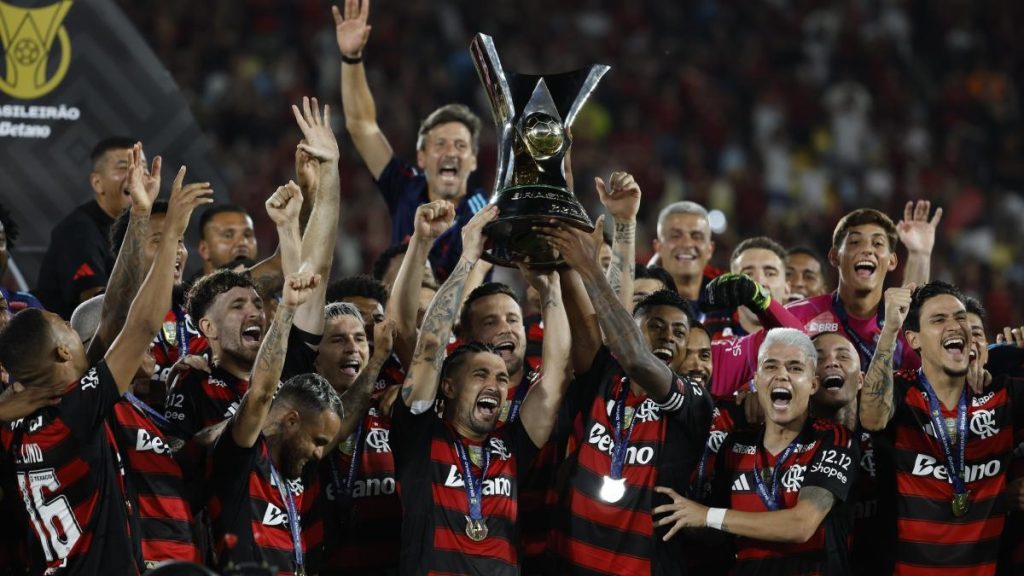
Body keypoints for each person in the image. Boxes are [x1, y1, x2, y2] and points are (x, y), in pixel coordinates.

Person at [0, 164, 210, 575]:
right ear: (62, 354)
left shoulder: (17, 425)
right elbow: (140, 326)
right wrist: (169, 236)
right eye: (65, 327)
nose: (75, 331)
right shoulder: (71, 414)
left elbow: (113, 314)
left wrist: (137, 217)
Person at [390, 203, 572, 574]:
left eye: (501, 378)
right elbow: (428, 349)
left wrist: (549, 283)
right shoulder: (420, 436)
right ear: (449, 386)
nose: (496, 384)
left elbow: (556, 373)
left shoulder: (510, 445)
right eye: (481, 375)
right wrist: (468, 256)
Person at [539, 218, 713, 576]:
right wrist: (564, 259)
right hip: (568, 563)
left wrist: (588, 264)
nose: (669, 338)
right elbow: (585, 322)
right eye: (655, 326)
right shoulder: (604, 377)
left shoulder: (694, 401)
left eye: (680, 333)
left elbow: (636, 358)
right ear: (630, 329)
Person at [654, 328, 859, 576]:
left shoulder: (834, 439)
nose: (782, 375)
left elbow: (801, 525)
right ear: (757, 379)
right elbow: (717, 533)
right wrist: (677, 512)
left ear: (813, 384)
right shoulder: (734, 445)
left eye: (795, 368)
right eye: (770, 367)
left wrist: (706, 515)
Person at [860, 281, 1024, 575]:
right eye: (939, 319)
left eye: (960, 317)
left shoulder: (1004, 395)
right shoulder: (900, 391)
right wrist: (889, 331)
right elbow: (871, 419)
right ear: (914, 340)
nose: (955, 325)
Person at [333, 0, 489, 281]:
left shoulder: (481, 213)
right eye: (440, 144)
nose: (450, 152)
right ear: (421, 157)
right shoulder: (406, 186)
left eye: (461, 145)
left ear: (474, 159)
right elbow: (362, 126)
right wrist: (352, 58)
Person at [207, 269, 336, 576]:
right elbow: (261, 394)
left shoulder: (291, 473)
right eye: (317, 441)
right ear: (292, 420)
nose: (319, 454)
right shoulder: (241, 456)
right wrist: (287, 311)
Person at [786, 203, 940, 372]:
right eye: (855, 242)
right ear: (835, 256)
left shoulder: (904, 330)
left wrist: (920, 254)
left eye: (878, 243)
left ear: (892, 261)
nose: (867, 249)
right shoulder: (796, 317)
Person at [36, 137, 160, 318]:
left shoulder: (142, 226)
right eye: (125, 167)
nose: (136, 176)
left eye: (142, 167)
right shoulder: (78, 231)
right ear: (97, 183)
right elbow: (95, 309)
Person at [704, 237, 791, 339]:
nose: (759, 282)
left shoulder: (808, 337)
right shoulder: (707, 335)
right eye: (748, 274)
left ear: (787, 289)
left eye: (770, 274)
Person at [649, 200, 721, 308]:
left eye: (696, 236)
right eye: (675, 236)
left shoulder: (729, 305)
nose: (687, 244)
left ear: (710, 249)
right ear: (658, 247)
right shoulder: (641, 303)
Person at [196, 204, 258, 276]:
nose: (242, 242)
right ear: (204, 250)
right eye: (228, 236)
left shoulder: (269, 284)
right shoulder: (189, 287)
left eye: (247, 235)